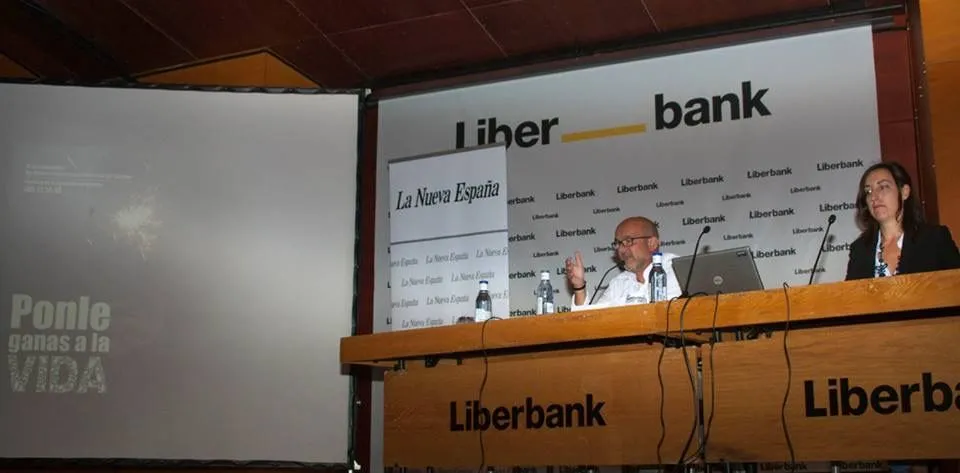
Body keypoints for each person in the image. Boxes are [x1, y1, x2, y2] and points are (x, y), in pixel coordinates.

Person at [845, 161, 960, 280]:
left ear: (904, 192)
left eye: (883, 187)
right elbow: (851, 296)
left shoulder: (934, 239)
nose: (874, 197)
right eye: (868, 191)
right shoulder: (860, 250)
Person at [564, 216, 682, 310]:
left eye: (628, 241)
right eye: (618, 243)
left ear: (652, 243)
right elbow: (589, 323)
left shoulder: (677, 270)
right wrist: (579, 287)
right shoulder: (619, 283)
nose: (621, 250)